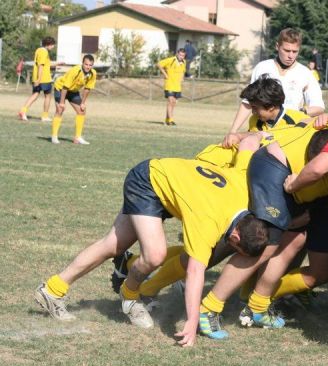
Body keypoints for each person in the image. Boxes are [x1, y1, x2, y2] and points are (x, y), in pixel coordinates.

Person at [34, 134, 269, 347]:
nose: (230, 248)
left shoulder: (242, 190)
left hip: (165, 179)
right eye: (235, 248)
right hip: (148, 181)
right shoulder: (209, 221)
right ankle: (129, 295)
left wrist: (260, 134)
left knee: (113, 245)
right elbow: (196, 272)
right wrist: (192, 320)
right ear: (236, 236)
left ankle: (52, 289)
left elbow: (249, 143)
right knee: (154, 254)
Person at [226, 28, 324, 138]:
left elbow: (319, 107)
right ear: (277, 46)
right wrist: (233, 131)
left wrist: (298, 112)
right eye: (286, 50)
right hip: (260, 129)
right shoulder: (262, 67)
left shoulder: (305, 73)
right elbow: (248, 102)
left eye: (294, 51)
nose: (290, 56)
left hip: (289, 132)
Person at [51, 54, 97, 145]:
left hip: (73, 91)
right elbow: (65, 87)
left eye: (90, 65)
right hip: (61, 88)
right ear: (82, 63)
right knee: (60, 109)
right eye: (86, 64)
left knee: (82, 110)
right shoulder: (75, 71)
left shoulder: (93, 74)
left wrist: (83, 103)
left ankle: (77, 138)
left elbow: (87, 89)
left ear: (92, 65)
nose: (88, 67)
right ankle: (54, 136)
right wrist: (62, 102)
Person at [18, 36, 56, 122]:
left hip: (37, 77)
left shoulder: (39, 50)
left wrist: (57, 64)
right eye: (53, 45)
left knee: (35, 95)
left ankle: (23, 111)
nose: (53, 47)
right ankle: (44, 116)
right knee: (48, 96)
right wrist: (39, 79)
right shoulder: (44, 52)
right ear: (49, 44)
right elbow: (41, 65)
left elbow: (45, 64)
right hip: (44, 78)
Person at [158, 48, 186, 126]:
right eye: (180, 55)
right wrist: (165, 74)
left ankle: (167, 120)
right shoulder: (171, 60)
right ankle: (171, 120)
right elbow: (159, 64)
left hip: (177, 86)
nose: (181, 57)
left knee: (173, 103)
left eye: (183, 55)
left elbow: (183, 71)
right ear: (177, 54)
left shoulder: (184, 62)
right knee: (170, 101)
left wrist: (182, 77)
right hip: (169, 84)